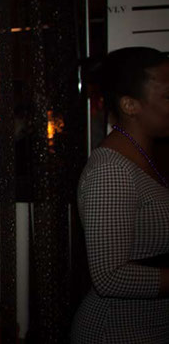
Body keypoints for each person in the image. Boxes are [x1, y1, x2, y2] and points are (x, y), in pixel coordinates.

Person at [71, 47, 169, 343]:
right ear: (130, 105)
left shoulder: (148, 158)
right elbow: (109, 276)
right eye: (168, 96)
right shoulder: (111, 171)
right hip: (116, 331)